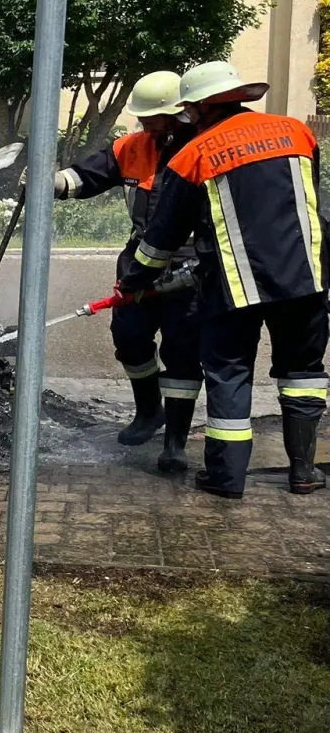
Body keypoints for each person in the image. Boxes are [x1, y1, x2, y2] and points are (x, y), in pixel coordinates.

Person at [119, 61, 327, 499]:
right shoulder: (297, 132)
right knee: (303, 372)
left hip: (235, 285)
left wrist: (134, 282)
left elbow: (162, 237)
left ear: (195, 109)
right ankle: (304, 472)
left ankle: (226, 478)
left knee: (229, 374)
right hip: (305, 277)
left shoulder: (194, 154)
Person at [53, 71, 202, 466]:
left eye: (154, 118)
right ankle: (148, 411)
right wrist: (52, 182)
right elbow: (87, 176)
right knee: (129, 335)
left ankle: (175, 442)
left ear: (179, 115)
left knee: (182, 351)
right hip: (140, 261)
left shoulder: (201, 147)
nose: (145, 124)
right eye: (144, 118)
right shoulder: (132, 147)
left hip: (190, 265)